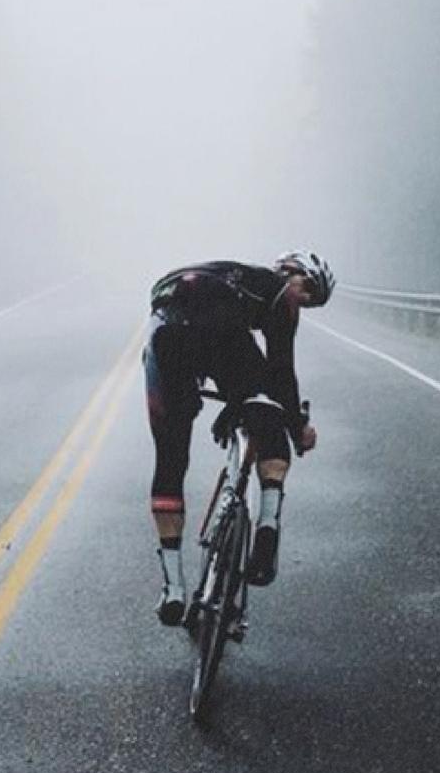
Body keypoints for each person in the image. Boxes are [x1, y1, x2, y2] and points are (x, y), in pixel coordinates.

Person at [142, 250, 335, 624]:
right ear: (288, 272)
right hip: (218, 329)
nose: (304, 300)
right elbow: (281, 370)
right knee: (271, 414)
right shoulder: (278, 291)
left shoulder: (229, 274)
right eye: (308, 289)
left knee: (170, 458)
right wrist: (298, 428)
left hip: (163, 329)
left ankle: (174, 589)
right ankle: (267, 529)